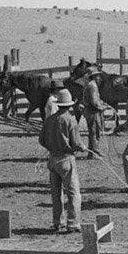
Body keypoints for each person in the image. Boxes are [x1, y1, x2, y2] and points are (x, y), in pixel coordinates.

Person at [38, 88, 83, 233]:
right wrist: (82, 147)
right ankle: (73, 223)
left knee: (56, 194)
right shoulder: (71, 120)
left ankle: (58, 222)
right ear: (69, 105)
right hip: (66, 160)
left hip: (52, 159)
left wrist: (53, 147)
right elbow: (76, 144)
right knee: (73, 193)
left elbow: (42, 140)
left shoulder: (50, 119)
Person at [82, 70, 104, 158]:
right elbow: (94, 102)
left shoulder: (91, 85)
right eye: (98, 76)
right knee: (95, 131)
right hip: (93, 112)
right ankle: (95, 152)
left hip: (91, 111)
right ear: (94, 76)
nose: (100, 78)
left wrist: (101, 103)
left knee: (93, 132)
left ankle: (92, 153)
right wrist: (102, 107)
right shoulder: (93, 86)